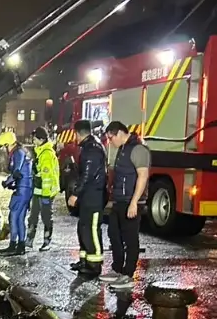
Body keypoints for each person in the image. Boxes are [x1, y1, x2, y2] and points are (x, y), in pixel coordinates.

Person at [100, 120, 150, 290]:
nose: (110, 141)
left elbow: (142, 176)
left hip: (131, 201)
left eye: (111, 137)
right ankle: (117, 269)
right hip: (120, 200)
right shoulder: (122, 148)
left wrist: (134, 202)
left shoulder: (138, 149)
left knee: (130, 239)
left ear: (120, 133)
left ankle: (128, 275)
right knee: (114, 234)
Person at [66, 119, 108, 276]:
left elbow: (87, 175)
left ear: (77, 133)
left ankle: (94, 265)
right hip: (89, 196)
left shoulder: (91, 149)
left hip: (93, 196)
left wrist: (75, 194)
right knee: (83, 228)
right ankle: (84, 261)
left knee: (91, 229)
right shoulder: (91, 146)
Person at [0, 131, 33, 255]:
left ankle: (13, 245)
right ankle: (21, 246)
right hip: (26, 189)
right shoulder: (23, 151)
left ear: (8, 144)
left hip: (22, 190)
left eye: (3, 146)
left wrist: (6, 182)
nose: (3, 150)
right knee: (20, 218)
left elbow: (16, 172)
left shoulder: (17, 153)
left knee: (13, 217)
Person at [28, 127, 59, 251]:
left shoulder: (46, 154)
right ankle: (29, 241)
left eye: (34, 138)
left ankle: (46, 242)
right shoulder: (40, 151)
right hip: (38, 190)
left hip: (45, 192)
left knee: (46, 217)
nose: (33, 140)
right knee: (33, 216)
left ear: (41, 139)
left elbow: (47, 177)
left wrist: (46, 196)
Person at [58, 130, 81, 216]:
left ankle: (74, 209)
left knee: (71, 189)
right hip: (71, 174)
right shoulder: (72, 147)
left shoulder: (71, 147)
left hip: (73, 175)